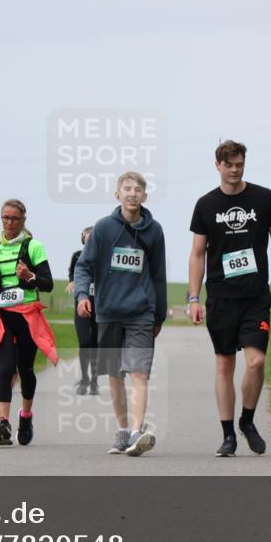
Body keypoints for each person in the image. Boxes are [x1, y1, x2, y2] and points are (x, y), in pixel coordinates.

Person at [187, 140, 271, 457]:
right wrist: (194, 297)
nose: (235, 169)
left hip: (255, 297)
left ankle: (247, 420)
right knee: (224, 365)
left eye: (239, 164)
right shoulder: (205, 205)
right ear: (218, 165)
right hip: (220, 297)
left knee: (256, 362)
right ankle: (228, 434)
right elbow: (197, 254)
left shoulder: (263, 198)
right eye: (229, 164)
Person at [74, 171, 166, 457]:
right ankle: (124, 431)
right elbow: (84, 266)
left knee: (139, 372)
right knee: (114, 375)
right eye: (127, 188)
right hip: (108, 312)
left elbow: (159, 275)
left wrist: (159, 315)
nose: (132, 193)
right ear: (117, 194)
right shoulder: (102, 229)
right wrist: (81, 295)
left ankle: (138, 432)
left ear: (145, 196)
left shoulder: (154, 231)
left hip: (141, 313)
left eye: (138, 189)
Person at [0, 199, 57, 447]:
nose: (10, 222)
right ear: (0, 219)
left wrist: (29, 276)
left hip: (27, 315)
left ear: (23, 220)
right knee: (4, 369)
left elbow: (47, 283)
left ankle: (25, 417)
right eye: (5, 218)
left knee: (25, 369)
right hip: (2, 315)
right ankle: (3, 422)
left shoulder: (34, 247)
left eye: (15, 218)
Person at [67, 226, 98, 395]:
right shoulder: (77, 256)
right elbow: (73, 272)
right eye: (87, 236)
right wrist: (72, 282)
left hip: (99, 306)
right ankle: (84, 377)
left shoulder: (104, 256)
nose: (90, 238)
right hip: (82, 304)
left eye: (93, 236)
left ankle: (94, 380)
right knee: (85, 342)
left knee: (95, 343)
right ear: (83, 239)